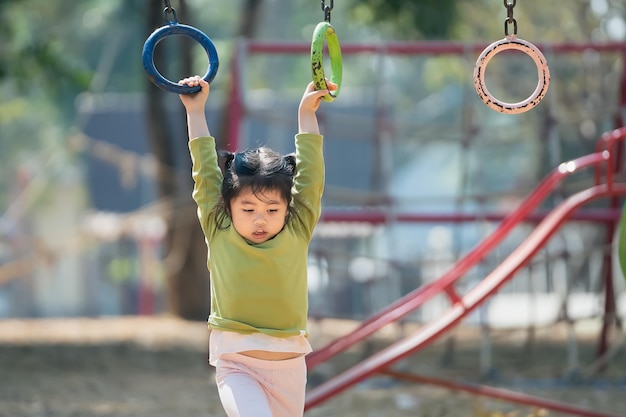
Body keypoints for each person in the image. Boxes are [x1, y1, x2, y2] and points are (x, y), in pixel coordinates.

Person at [178, 75, 335, 417]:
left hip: (290, 367)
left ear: (287, 209)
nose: (260, 219)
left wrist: (306, 115)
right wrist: (195, 111)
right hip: (236, 365)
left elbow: (311, 180)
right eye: (248, 209)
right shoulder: (219, 227)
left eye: (272, 209)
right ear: (228, 206)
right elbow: (204, 173)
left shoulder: (297, 227)